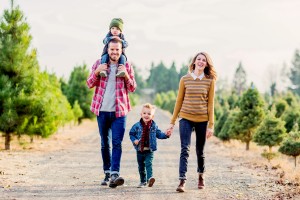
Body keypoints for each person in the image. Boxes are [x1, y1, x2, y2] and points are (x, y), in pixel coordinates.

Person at [86, 38, 137, 188]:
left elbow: (133, 88)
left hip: (119, 112)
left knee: (116, 143)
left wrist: (126, 75)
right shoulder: (99, 64)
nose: (114, 52)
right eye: (112, 49)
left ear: (121, 51)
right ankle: (107, 173)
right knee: (104, 144)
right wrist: (96, 72)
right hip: (101, 111)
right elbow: (89, 83)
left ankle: (115, 174)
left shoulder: (126, 65)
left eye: (117, 50)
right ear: (107, 50)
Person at [168, 52, 217, 192]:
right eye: (199, 59)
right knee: (185, 149)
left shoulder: (210, 80)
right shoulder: (185, 79)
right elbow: (179, 101)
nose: (201, 62)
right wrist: (172, 121)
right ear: (194, 62)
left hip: (202, 119)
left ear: (207, 64)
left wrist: (211, 126)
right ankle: (182, 181)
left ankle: (201, 175)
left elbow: (211, 104)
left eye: (204, 60)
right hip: (185, 118)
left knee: (200, 151)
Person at [129, 103, 171, 188]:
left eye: (149, 114)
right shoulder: (136, 126)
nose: (146, 115)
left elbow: (159, 134)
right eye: (144, 113)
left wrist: (166, 135)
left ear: (152, 116)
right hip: (140, 150)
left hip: (149, 150)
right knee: (141, 166)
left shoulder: (154, 126)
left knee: (149, 164)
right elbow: (131, 133)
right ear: (141, 114)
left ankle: (150, 179)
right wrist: (134, 140)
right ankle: (142, 181)